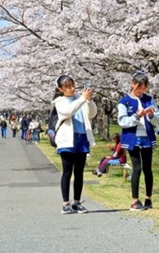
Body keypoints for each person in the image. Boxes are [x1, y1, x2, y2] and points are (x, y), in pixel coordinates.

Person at [118, 70, 159, 211]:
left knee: (148, 169)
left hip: (147, 138)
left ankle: (148, 199)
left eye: (144, 88)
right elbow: (122, 121)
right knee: (137, 168)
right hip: (132, 138)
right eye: (139, 87)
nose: (142, 90)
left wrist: (150, 116)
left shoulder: (149, 100)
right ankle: (134, 200)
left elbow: (158, 120)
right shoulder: (124, 101)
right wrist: (137, 116)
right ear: (133, 84)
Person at [53, 74, 97, 214]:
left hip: (82, 138)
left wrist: (89, 101)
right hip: (67, 140)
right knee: (67, 172)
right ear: (60, 89)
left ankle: (77, 202)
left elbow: (92, 114)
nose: (72, 88)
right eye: (67, 87)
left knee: (79, 173)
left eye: (72, 85)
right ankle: (65, 203)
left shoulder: (80, 98)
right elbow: (67, 112)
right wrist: (83, 99)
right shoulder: (59, 101)